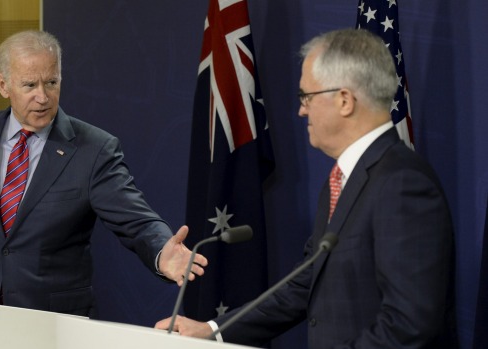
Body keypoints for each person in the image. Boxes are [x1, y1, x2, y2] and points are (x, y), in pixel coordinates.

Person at [0, 30, 207, 317]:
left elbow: (135, 220)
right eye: (29, 85)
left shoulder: (93, 149)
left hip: (54, 320)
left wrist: (163, 251)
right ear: (3, 85)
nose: (43, 97)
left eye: (51, 82)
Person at [155, 28, 458, 348]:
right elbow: (306, 282)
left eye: (306, 97)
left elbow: (409, 323)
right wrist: (215, 329)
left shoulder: (402, 184)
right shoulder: (344, 179)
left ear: (344, 100)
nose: (301, 110)